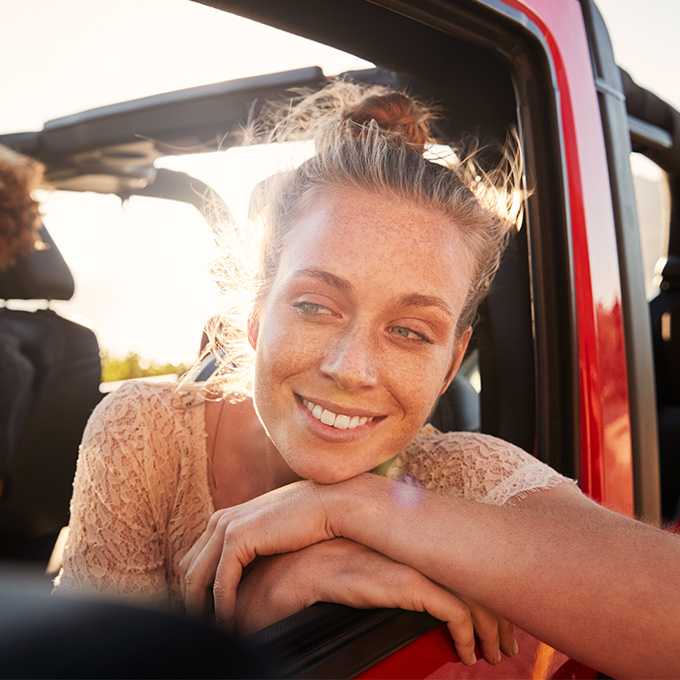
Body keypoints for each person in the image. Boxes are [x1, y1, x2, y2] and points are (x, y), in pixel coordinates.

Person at [54, 83, 580, 670]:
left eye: (410, 331)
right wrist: (258, 611)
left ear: (451, 364)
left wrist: (352, 509)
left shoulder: (458, 477)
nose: (350, 370)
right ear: (255, 314)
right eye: (314, 306)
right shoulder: (145, 435)